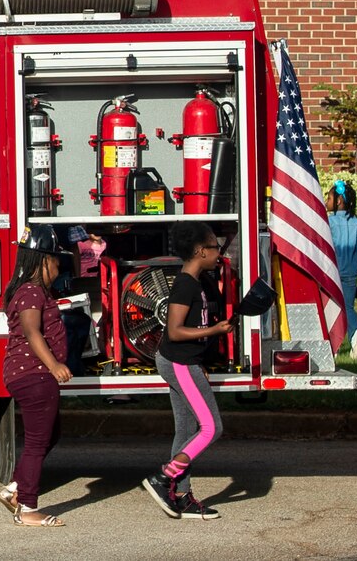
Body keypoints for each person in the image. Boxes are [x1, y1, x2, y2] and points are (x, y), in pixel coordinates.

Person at [142, 221, 231, 521]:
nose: (218, 251)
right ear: (199, 250)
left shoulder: (200, 282)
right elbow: (176, 331)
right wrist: (214, 329)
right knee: (211, 428)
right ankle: (164, 478)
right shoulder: (184, 284)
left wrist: (201, 361)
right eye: (214, 246)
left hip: (187, 362)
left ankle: (181, 496)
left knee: (186, 430)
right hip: (178, 362)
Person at [0, 227, 73, 528]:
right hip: (35, 374)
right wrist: (54, 365)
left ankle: (15, 489)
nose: (58, 268)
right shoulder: (31, 291)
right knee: (37, 442)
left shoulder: (34, 291)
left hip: (32, 375)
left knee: (49, 435)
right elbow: (32, 331)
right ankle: (27, 508)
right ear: (43, 261)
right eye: (57, 262)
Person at [329, 180, 357, 354]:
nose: (327, 202)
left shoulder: (329, 222)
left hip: (332, 274)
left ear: (339, 201)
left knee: (331, 308)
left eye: (329, 198)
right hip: (350, 274)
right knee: (348, 307)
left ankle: (332, 346)